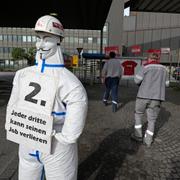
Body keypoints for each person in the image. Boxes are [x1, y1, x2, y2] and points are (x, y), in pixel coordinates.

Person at [6, 15, 88, 180]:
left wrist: (62, 139)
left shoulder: (69, 82)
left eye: (47, 39)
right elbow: (12, 108)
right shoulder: (23, 75)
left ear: (59, 41)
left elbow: (73, 127)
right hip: (30, 140)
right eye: (38, 38)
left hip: (53, 143)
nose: (40, 44)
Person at [131, 53, 169, 147]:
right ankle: (148, 141)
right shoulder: (164, 69)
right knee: (152, 120)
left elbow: (136, 80)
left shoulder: (145, 66)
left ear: (149, 59)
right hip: (157, 97)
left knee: (138, 114)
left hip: (143, 95)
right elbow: (167, 84)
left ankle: (138, 136)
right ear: (157, 59)